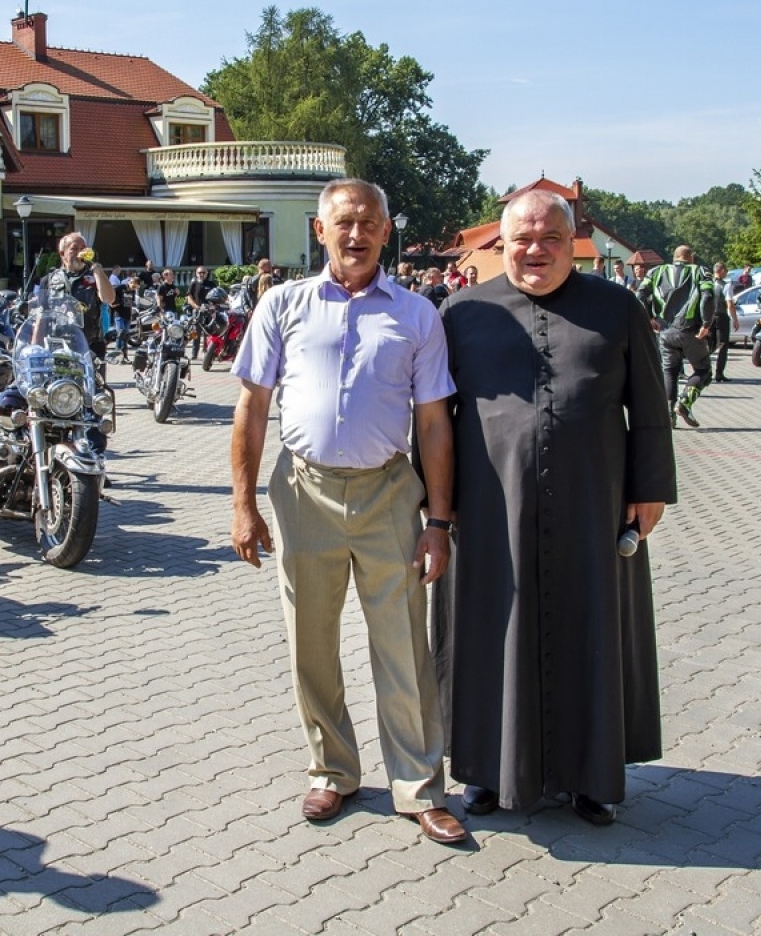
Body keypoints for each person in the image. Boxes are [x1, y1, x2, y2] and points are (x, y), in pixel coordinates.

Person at [230, 178, 466, 846]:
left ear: (386, 231)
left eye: (368, 222)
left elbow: (435, 424)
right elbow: (251, 408)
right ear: (319, 230)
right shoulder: (282, 305)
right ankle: (333, 769)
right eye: (343, 222)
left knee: (403, 647)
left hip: (390, 493)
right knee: (311, 641)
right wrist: (243, 503)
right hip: (303, 492)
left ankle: (419, 785)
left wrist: (439, 521)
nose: (356, 234)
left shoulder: (418, 314)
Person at [434, 190, 674, 825]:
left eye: (550, 239)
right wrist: (438, 504)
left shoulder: (618, 308)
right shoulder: (461, 312)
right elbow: (435, 419)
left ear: (575, 244)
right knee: (489, 633)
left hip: (594, 502)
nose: (535, 250)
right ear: (501, 245)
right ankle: (484, 770)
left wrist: (649, 490)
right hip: (488, 507)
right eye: (522, 239)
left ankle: (591, 776)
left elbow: (650, 407)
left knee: (590, 630)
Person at [639, 246, 716, 428]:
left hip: (665, 332)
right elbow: (708, 296)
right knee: (704, 370)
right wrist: (707, 323)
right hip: (690, 330)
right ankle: (684, 403)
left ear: (674, 257)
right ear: (691, 257)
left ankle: (668, 413)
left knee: (669, 371)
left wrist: (649, 318)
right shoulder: (700, 271)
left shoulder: (657, 271)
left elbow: (640, 294)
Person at [44, 233, 116, 359]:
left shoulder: (95, 276)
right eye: (74, 248)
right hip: (59, 346)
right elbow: (41, 317)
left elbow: (109, 299)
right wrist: (35, 347)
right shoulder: (49, 280)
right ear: (62, 253)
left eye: (83, 248)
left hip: (91, 347)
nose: (80, 253)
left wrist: (96, 268)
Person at [709, 262, 738, 382]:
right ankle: (719, 373)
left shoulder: (708, 284)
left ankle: (703, 370)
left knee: (708, 344)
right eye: (725, 271)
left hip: (709, 316)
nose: (726, 273)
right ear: (721, 271)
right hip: (721, 316)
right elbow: (730, 304)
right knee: (723, 344)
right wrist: (735, 319)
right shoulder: (726, 286)